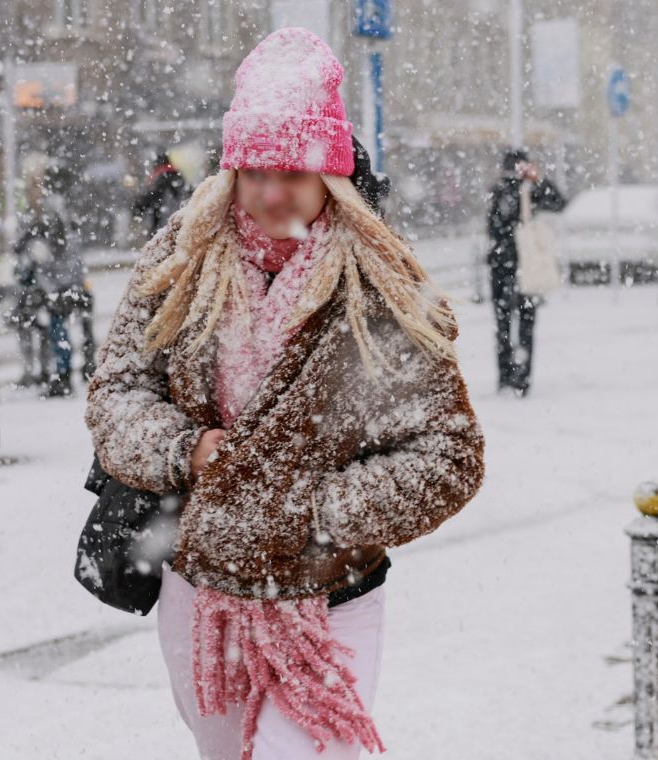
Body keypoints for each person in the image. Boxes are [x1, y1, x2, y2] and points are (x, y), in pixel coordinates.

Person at [84, 28, 485, 760]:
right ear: (232, 170)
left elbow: (448, 454)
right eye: (255, 171)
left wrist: (316, 507)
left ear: (329, 177)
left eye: (293, 173)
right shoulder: (182, 260)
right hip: (200, 588)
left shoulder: (381, 288)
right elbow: (117, 394)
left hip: (332, 590)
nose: (272, 193)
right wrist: (183, 448)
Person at [486, 148, 567, 396]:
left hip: (502, 264)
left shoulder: (498, 190)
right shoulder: (528, 190)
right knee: (525, 323)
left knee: (503, 323)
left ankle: (506, 375)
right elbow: (559, 202)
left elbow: (493, 227)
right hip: (525, 265)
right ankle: (521, 376)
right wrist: (537, 180)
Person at [14, 166, 87, 397]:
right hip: (62, 278)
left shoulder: (51, 209)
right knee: (57, 326)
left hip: (58, 280)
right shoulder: (57, 208)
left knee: (58, 327)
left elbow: (55, 245)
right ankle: (60, 373)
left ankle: (62, 375)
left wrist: (31, 243)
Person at [133, 150, 191, 236]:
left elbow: (153, 195)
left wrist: (138, 207)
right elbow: (187, 193)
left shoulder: (161, 175)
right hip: (179, 220)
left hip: (162, 222)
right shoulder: (177, 174)